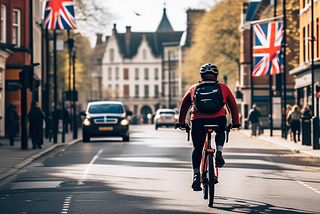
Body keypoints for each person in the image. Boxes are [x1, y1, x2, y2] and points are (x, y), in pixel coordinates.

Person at [177, 63, 240, 191]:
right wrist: (235, 122)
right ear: (216, 76)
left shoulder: (193, 88)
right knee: (220, 131)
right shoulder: (223, 88)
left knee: (197, 147)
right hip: (218, 118)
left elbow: (184, 105)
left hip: (198, 120)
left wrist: (181, 122)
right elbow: (233, 105)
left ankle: (196, 176)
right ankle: (219, 152)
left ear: (201, 76)